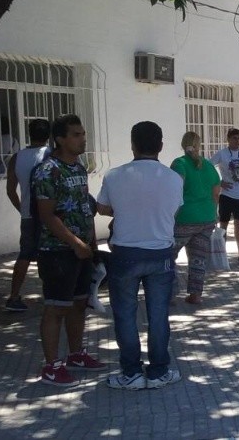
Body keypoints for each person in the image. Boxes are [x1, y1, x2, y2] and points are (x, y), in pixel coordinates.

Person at [98, 121, 184, 390]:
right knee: (158, 314)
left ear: (132, 145)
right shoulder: (174, 178)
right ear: (161, 145)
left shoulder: (114, 175)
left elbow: (102, 207)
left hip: (125, 253)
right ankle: (158, 371)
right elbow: (175, 210)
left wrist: (124, 211)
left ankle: (132, 373)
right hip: (161, 253)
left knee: (125, 314)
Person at [32, 114, 105, 386]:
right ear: (60, 139)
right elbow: (47, 215)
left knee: (78, 304)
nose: (82, 139)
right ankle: (51, 367)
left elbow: (85, 205)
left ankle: (76, 355)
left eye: (83, 133)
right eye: (76, 134)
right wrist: (75, 243)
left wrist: (91, 243)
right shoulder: (47, 170)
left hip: (82, 250)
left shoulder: (78, 168)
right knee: (56, 308)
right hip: (57, 251)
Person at [4, 119, 51, 312]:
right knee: (50, 254)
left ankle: (14, 296)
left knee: (25, 254)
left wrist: (22, 209)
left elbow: (10, 191)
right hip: (50, 214)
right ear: (49, 135)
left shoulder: (17, 158)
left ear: (29, 134)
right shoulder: (51, 155)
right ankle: (51, 295)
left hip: (28, 215)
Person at [170, 132, 221, 305]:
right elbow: (216, 193)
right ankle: (195, 295)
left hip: (184, 218)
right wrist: (214, 213)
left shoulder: (179, 164)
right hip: (207, 218)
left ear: (182, 144)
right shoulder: (208, 165)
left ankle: (169, 294)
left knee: (168, 256)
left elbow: (174, 190)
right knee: (198, 257)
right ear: (199, 145)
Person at [210, 128, 239, 263]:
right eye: (234, 138)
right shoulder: (222, 154)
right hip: (226, 195)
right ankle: (222, 255)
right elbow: (208, 167)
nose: (237, 141)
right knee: (223, 225)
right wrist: (220, 182)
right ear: (228, 139)